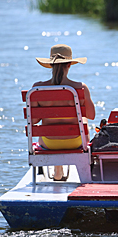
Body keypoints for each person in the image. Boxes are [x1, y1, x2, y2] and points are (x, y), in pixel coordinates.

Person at [32, 44, 95, 181]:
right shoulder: (80, 88)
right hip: (75, 142)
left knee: (46, 125)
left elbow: (34, 121)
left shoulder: (37, 88)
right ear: (69, 65)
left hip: (49, 143)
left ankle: (58, 169)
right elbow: (91, 115)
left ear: (51, 66)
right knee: (83, 120)